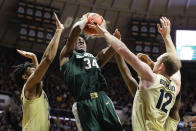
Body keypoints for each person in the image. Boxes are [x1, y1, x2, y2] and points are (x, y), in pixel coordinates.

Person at [89, 17, 181, 130]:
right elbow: (174, 61)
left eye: (157, 61)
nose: (155, 61)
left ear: (161, 66)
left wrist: (104, 32)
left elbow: (123, 49)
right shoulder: (175, 86)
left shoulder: (150, 78)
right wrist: (166, 37)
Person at [59, 13, 123, 131]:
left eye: (83, 40)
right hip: (84, 103)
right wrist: (85, 19)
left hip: (102, 99)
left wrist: (113, 38)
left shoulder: (93, 58)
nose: (81, 41)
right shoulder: (66, 57)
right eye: (77, 40)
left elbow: (112, 49)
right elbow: (77, 30)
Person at [114, 21, 181, 131]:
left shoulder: (145, 95)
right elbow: (173, 65)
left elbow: (127, 76)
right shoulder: (173, 91)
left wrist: (116, 48)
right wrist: (166, 37)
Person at [13, 13, 64, 131]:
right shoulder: (28, 87)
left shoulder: (35, 89)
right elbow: (47, 60)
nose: (36, 69)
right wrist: (58, 31)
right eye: (32, 69)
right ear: (25, 76)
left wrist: (35, 58)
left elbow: (40, 78)